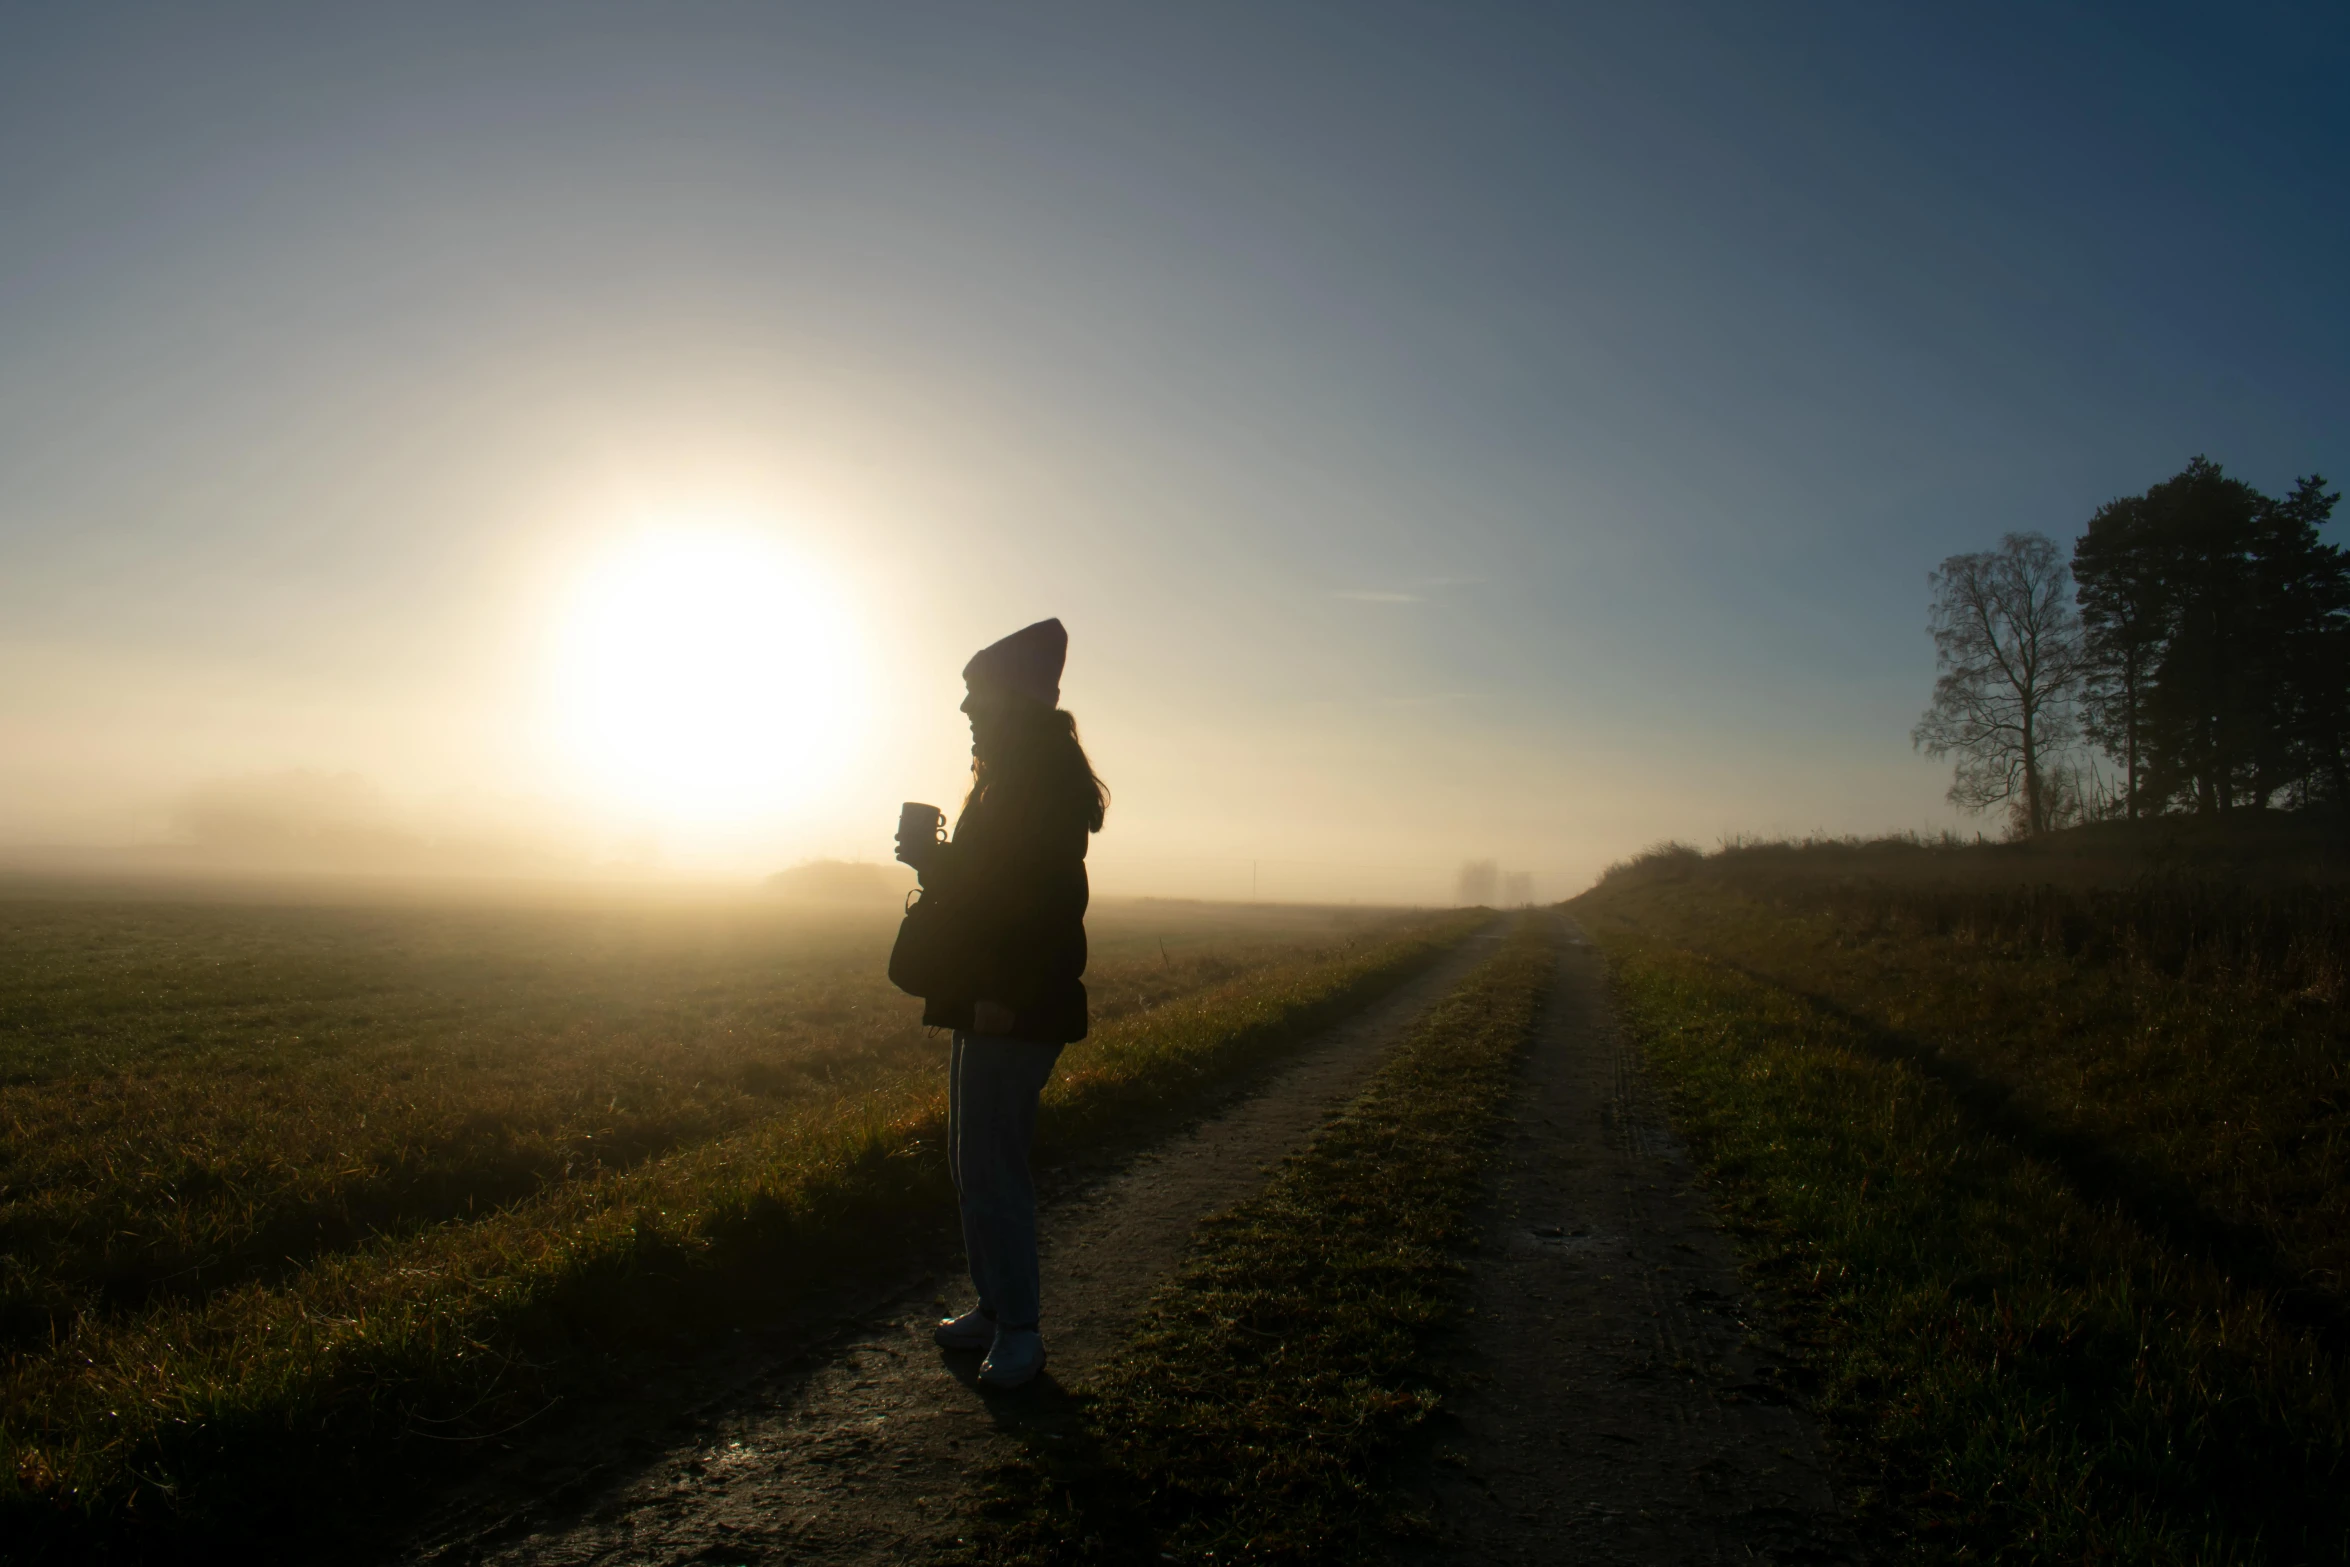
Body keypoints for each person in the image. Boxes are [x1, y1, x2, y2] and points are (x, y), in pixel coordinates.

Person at [894, 617, 1107, 1390]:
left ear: (1011, 698)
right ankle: (993, 1306)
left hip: (1010, 1003)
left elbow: (1038, 909)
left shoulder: (1036, 788)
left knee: (994, 1168)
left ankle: (1020, 1331)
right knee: (971, 1162)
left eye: (975, 694)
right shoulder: (1011, 778)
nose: (964, 710)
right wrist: (934, 862)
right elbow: (990, 892)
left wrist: (999, 997)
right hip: (986, 997)